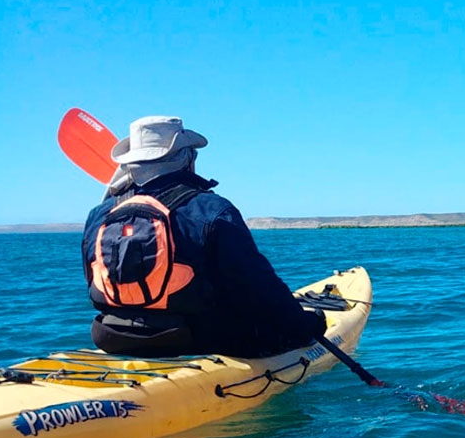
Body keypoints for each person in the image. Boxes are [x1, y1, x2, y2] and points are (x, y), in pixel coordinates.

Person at [81, 116, 326, 358]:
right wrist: (306, 325)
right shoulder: (212, 210)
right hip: (194, 340)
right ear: (188, 158)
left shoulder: (98, 215)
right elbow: (259, 287)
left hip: (111, 337)